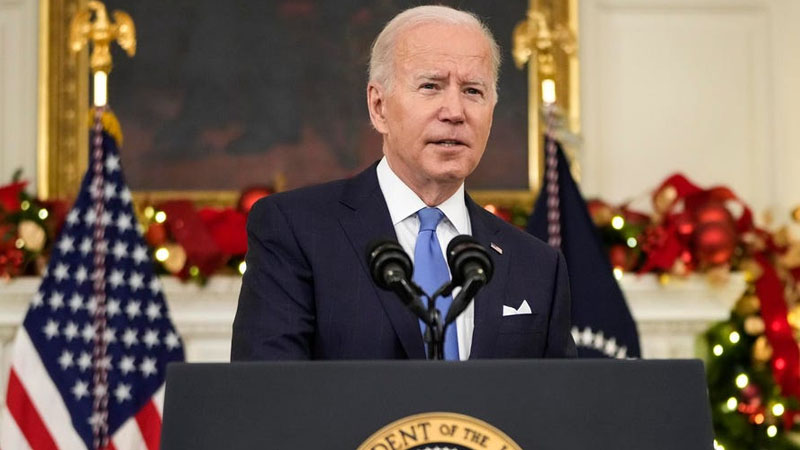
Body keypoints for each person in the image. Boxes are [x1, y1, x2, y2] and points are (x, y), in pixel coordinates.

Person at [231, 5, 576, 360]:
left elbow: (558, 408)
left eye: (473, 91)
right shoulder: (297, 231)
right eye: (431, 86)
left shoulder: (537, 266)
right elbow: (268, 397)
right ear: (378, 107)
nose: (455, 112)